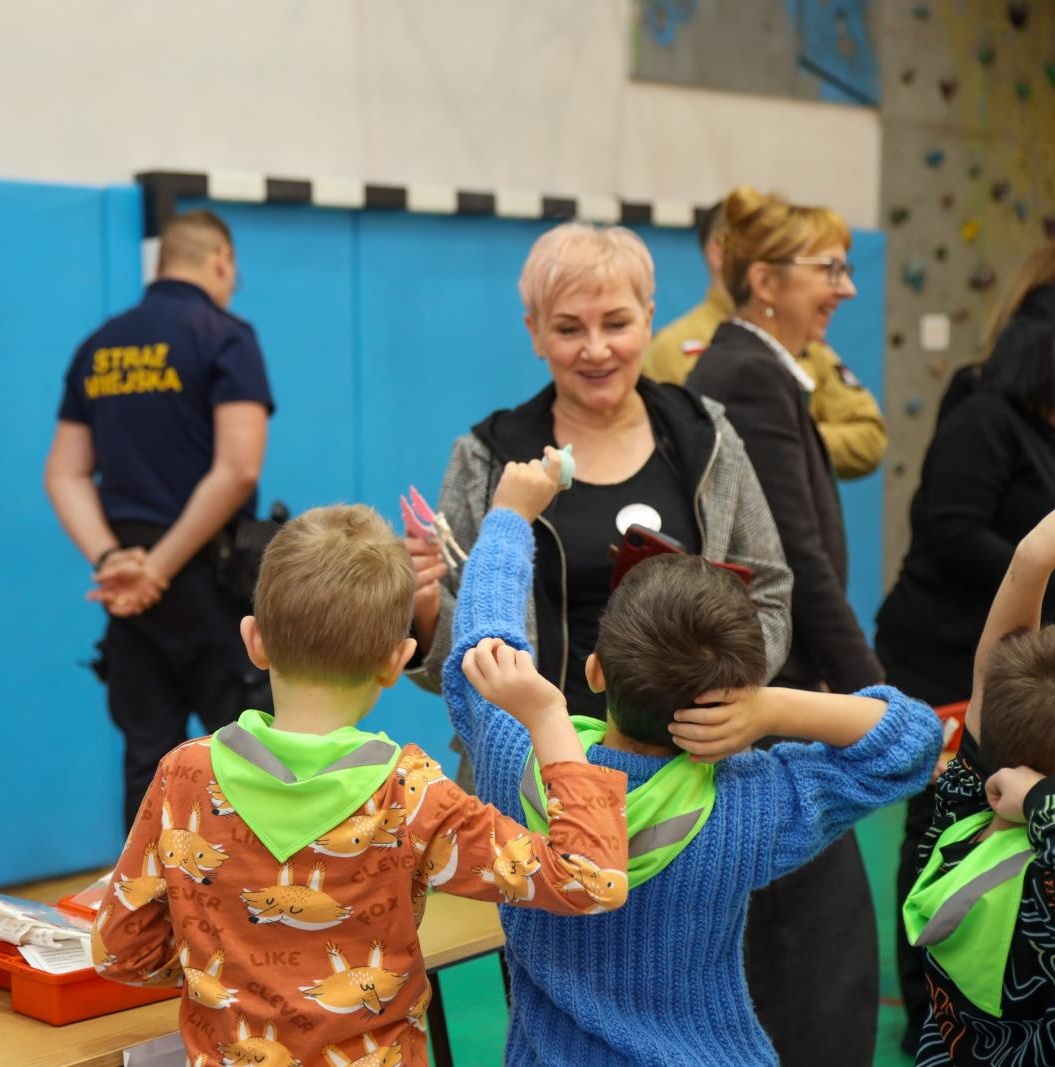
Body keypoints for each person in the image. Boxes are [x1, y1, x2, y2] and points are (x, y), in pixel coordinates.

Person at [93, 487, 630, 1067]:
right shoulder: (413, 793)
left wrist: (213, 970)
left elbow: (121, 953)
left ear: (254, 641)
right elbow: (591, 883)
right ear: (398, 661)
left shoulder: (183, 776)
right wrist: (550, 716)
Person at [446, 468, 940, 1065]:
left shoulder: (515, 758)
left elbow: (480, 642)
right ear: (736, 691)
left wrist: (509, 514)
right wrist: (773, 705)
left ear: (595, 671)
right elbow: (913, 740)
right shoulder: (747, 804)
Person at [407, 221, 792, 788]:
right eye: (568, 328)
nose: (596, 349)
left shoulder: (706, 438)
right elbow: (460, 662)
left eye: (616, 323)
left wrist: (727, 697)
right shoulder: (487, 459)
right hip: (524, 778)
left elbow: (768, 594)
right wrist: (424, 612)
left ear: (648, 319)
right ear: (534, 333)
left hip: (688, 772)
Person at [682, 186, 887, 1064]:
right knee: (815, 946)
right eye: (827, 270)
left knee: (809, 938)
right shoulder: (747, 376)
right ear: (762, 280)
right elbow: (794, 562)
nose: (845, 288)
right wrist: (879, 695)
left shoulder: (765, 368)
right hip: (775, 699)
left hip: (785, 690)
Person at [876, 245, 1055, 1051]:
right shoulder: (985, 418)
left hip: (1008, 665)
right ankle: (933, 1004)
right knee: (945, 831)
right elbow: (952, 532)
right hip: (949, 658)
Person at [45, 209, 275, 830]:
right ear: (221, 259)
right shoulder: (224, 335)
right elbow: (237, 469)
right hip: (208, 581)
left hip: (128, 596)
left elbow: (63, 473)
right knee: (250, 756)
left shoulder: (100, 345)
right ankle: (256, 915)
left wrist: (113, 563)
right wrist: (162, 568)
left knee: (148, 761)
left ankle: (143, 915)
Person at [904, 509, 1055, 1064]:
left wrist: (1033, 557)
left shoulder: (963, 824)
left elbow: (995, 668)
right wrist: (1040, 801)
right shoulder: (1044, 884)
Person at [644, 199, 887, 480]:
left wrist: (788, 438)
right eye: (826, 269)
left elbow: (869, 437)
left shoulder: (805, 345)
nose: (847, 290)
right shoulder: (676, 346)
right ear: (720, 255)